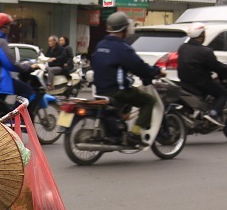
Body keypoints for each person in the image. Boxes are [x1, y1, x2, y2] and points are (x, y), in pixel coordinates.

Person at [91, 11, 165, 145]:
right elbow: (138, 66)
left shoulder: (100, 44)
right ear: (124, 29)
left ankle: (120, 123)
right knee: (149, 101)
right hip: (117, 91)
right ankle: (134, 134)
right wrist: (155, 71)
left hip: (99, 89)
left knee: (130, 93)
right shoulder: (122, 48)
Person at [0, 13, 37, 108]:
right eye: (8, 26)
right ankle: (16, 117)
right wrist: (28, 67)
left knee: (2, 108)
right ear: (4, 27)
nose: (9, 28)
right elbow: (10, 64)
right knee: (26, 90)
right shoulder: (0, 41)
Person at [177, 22, 227, 126]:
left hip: (184, 82)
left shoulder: (182, 47)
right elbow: (216, 67)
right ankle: (213, 114)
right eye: (203, 33)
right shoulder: (205, 51)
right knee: (223, 94)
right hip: (201, 83)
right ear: (201, 35)